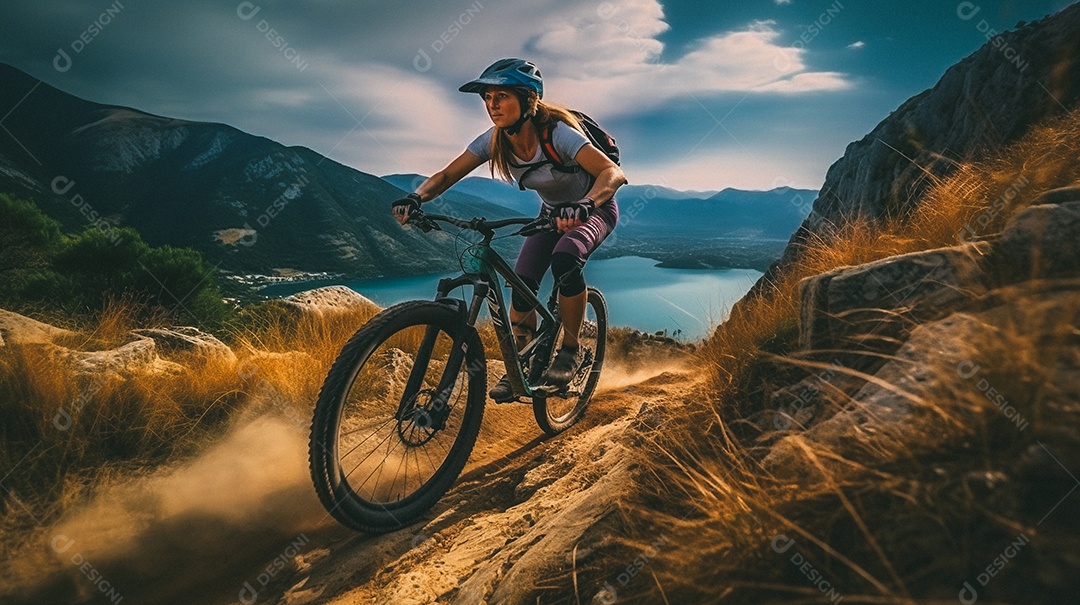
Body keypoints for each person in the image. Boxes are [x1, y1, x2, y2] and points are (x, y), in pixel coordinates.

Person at [391, 58, 626, 402]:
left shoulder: (558, 134)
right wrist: (416, 197)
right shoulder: (495, 140)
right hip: (550, 214)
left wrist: (586, 204)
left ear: (529, 99)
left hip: (595, 209)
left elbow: (612, 174)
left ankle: (570, 350)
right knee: (521, 286)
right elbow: (445, 176)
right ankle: (523, 364)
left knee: (566, 258)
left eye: (501, 96)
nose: (492, 105)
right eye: (487, 97)